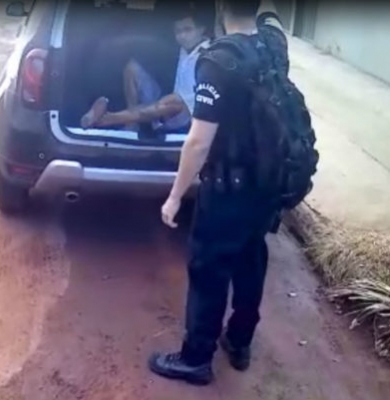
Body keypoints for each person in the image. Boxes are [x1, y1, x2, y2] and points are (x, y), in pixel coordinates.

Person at [148, 0, 290, 386]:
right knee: (250, 260)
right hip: (267, 184)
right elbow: (271, 17)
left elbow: (198, 142)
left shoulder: (217, 60)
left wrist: (175, 196)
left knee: (209, 268)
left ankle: (196, 358)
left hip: (228, 188)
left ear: (221, 7)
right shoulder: (273, 44)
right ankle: (239, 342)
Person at [80, 10, 211, 132]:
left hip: (189, 116)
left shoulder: (208, 55)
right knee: (133, 68)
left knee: (174, 102)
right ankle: (131, 124)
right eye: (178, 31)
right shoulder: (184, 49)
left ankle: (108, 119)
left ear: (201, 29)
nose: (182, 36)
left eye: (188, 30)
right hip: (168, 107)